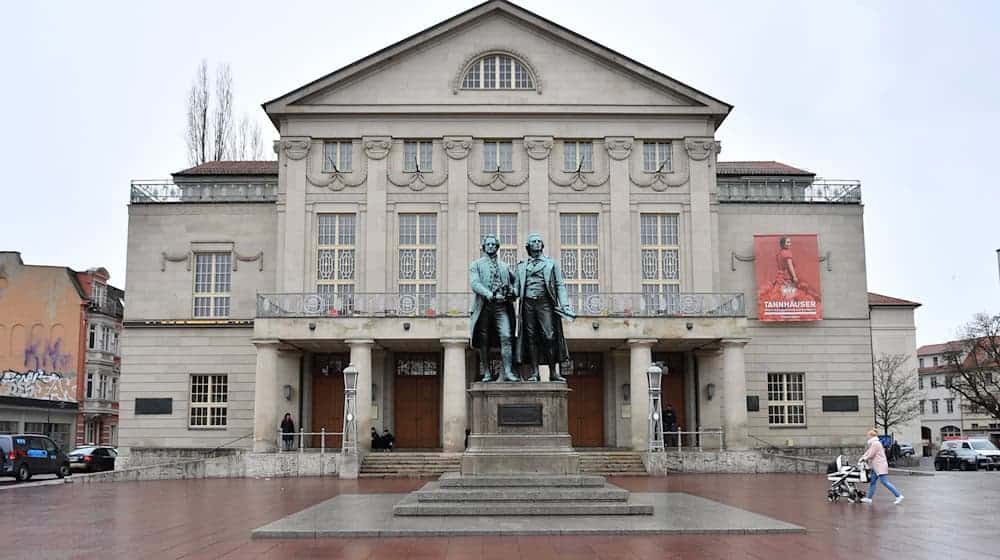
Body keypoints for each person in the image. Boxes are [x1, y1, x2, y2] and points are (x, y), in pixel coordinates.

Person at [513, 233, 575, 382]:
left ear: (542, 245)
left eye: (539, 241)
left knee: (549, 336)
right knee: (531, 338)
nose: (537, 243)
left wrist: (565, 305)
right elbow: (516, 289)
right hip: (527, 304)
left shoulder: (551, 264)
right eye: (533, 241)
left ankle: (553, 371)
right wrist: (507, 292)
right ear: (528, 246)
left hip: (545, 303)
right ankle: (535, 373)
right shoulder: (522, 266)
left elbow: (560, 285)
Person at [469, 234, 518, 382]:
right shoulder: (476, 265)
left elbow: (516, 283)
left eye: (493, 244)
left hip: (502, 307)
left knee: (506, 336)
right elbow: (475, 284)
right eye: (488, 244)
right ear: (483, 247)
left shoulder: (504, 266)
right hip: (484, 307)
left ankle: (508, 372)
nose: (490, 247)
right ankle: (486, 372)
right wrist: (489, 294)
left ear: (497, 247)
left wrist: (513, 292)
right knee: (484, 341)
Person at [860, 429, 904, 505]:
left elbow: (871, 454)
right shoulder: (874, 443)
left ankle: (898, 495)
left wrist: (864, 458)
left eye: (868, 435)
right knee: (872, 482)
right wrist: (863, 457)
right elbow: (868, 452)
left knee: (885, 482)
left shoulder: (876, 444)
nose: (867, 437)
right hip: (876, 466)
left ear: (871, 436)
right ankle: (869, 498)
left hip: (880, 466)